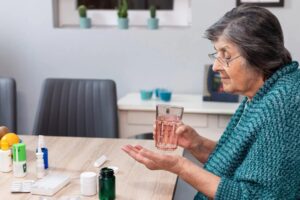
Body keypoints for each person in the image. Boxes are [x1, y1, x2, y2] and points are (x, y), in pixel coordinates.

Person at [122, 4, 300, 199]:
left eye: (226, 55)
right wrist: (197, 144)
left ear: (259, 54)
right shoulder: (263, 94)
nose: (216, 66)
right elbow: (241, 164)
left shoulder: (281, 105)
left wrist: (179, 166)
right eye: (217, 54)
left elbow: (256, 196)